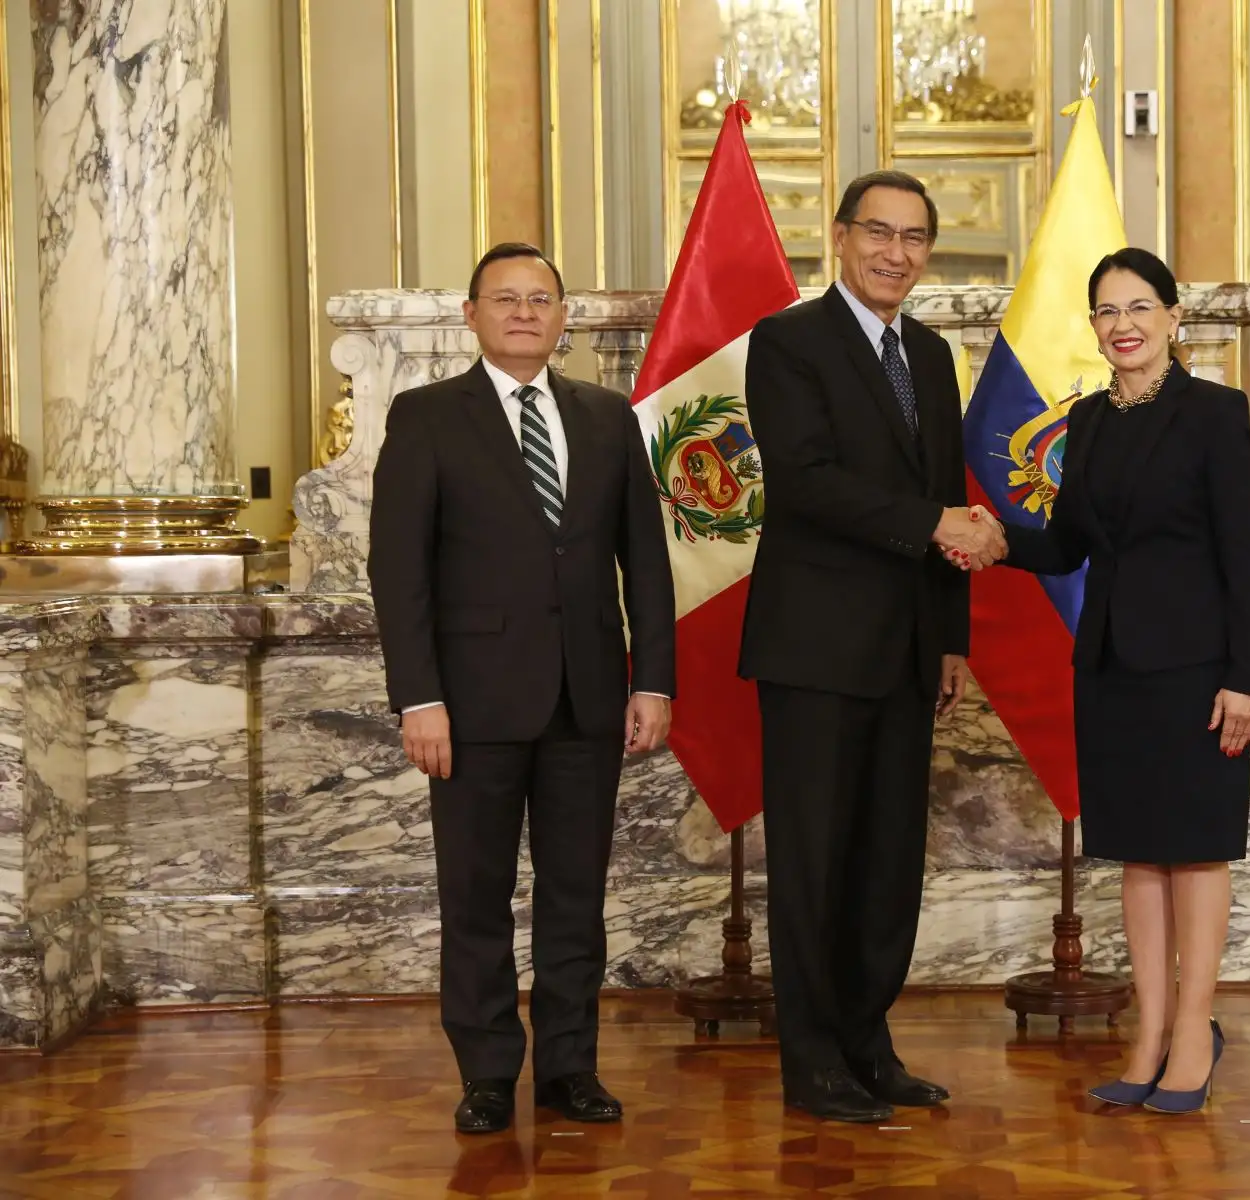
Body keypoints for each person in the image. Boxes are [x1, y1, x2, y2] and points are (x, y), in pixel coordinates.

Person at [368, 242, 676, 1135]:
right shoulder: (427, 416)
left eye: (540, 299)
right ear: (471, 315)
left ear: (562, 317)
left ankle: (570, 1069)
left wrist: (653, 680)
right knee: (476, 896)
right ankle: (489, 1074)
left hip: (589, 697)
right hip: (470, 706)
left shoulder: (607, 417)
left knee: (576, 896)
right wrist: (418, 698)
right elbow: (400, 571)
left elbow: (645, 562)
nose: (523, 312)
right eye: (504, 298)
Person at [976, 247, 1250, 1115]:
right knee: (1139, 855)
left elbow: (1244, 557)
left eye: (1140, 306)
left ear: (1175, 317)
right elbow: (1069, 543)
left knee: (1196, 850)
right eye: (1107, 311)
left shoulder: (1214, 413)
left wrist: (1246, 677)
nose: (1123, 325)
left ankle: (1193, 1034)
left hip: (1196, 671)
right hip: (1109, 667)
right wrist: (996, 539)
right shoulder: (1089, 421)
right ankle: (1148, 1035)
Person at [738, 170, 1003, 1124]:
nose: (897, 253)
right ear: (842, 237)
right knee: (814, 861)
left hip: (907, 651)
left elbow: (943, 489)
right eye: (879, 233)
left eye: (915, 238)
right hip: (814, 649)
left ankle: (866, 1042)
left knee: (888, 862)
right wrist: (936, 524)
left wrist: (951, 638)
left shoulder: (929, 353)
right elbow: (804, 481)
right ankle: (811, 1060)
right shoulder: (787, 341)